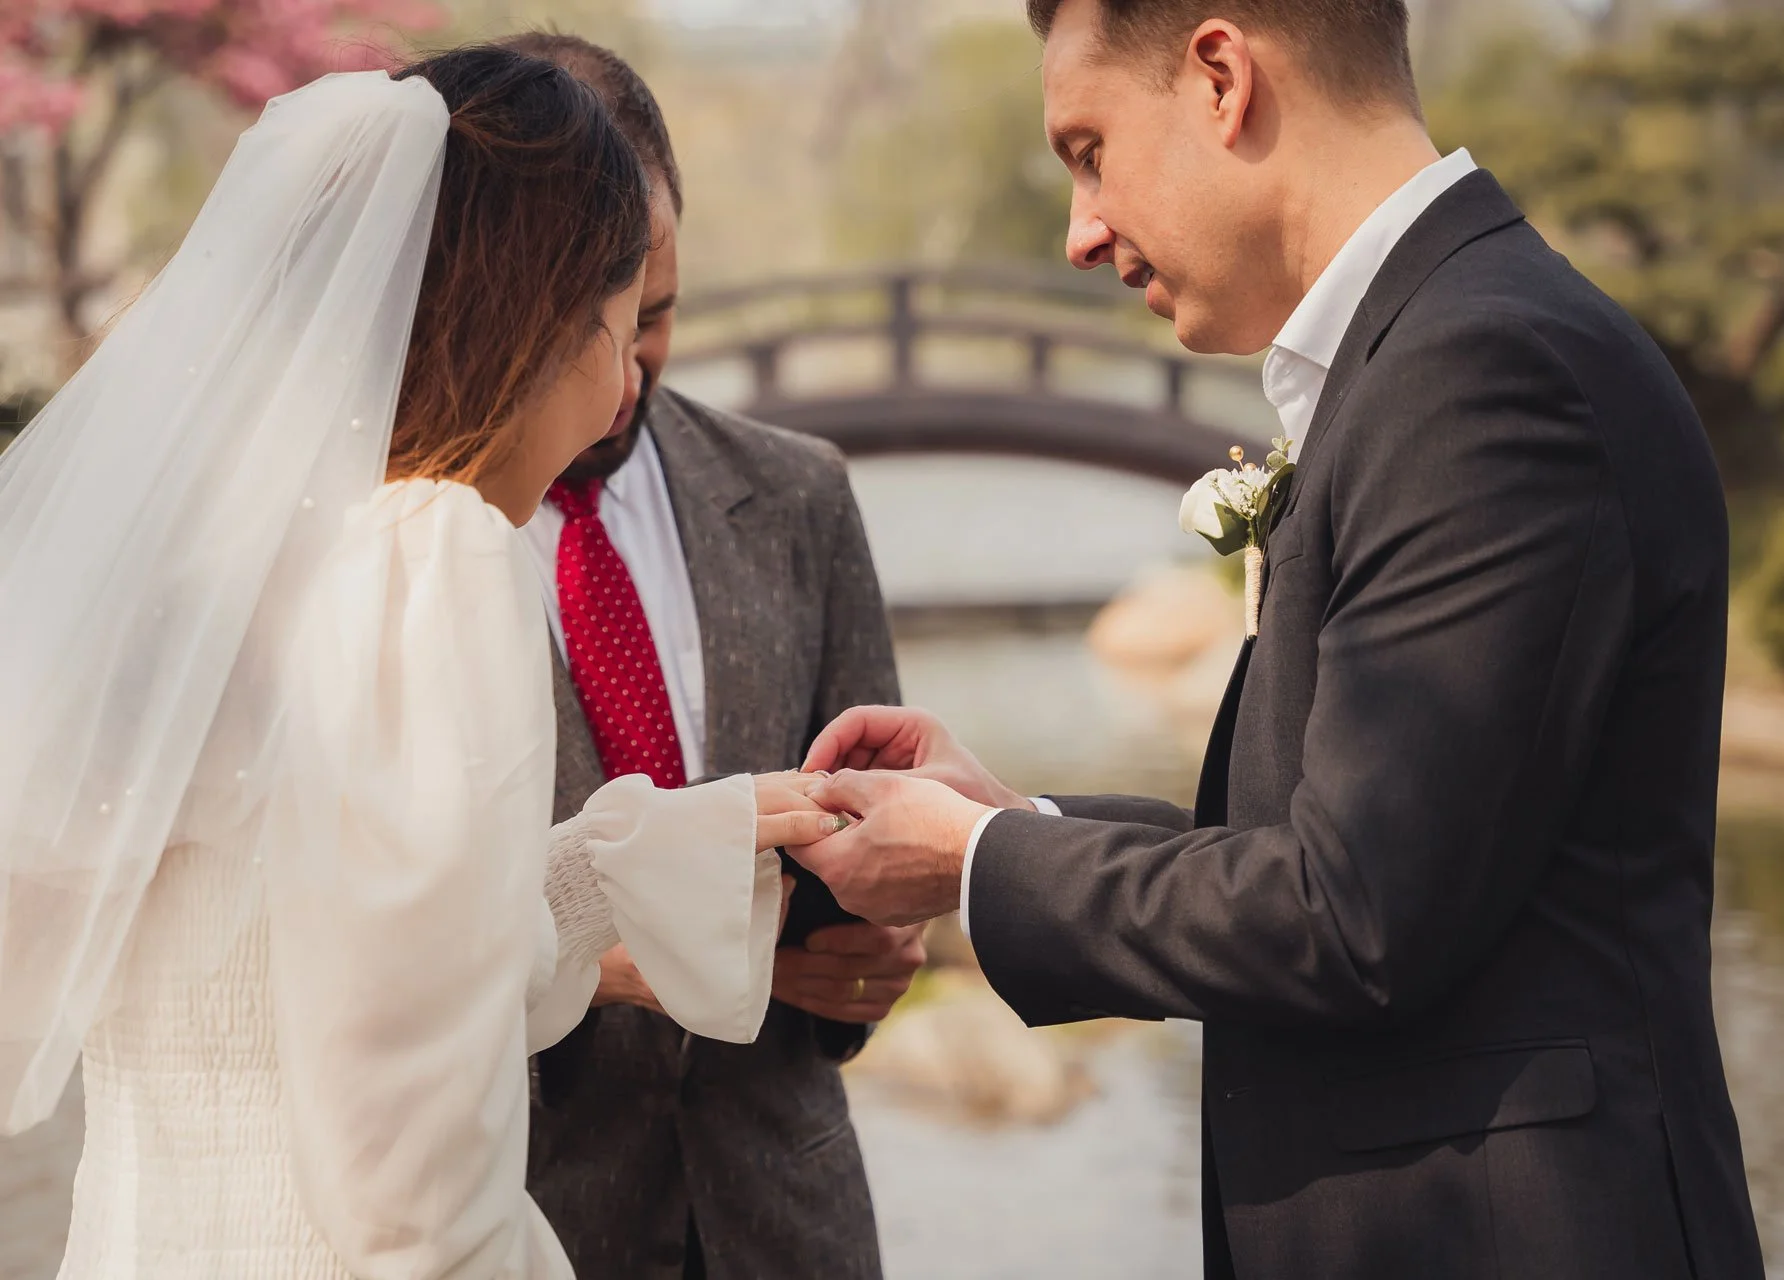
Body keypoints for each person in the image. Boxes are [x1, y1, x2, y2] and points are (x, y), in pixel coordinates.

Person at [790, 1, 1767, 1277]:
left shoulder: (1480, 367)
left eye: (1087, 150)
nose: (1079, 232)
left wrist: (976, 863)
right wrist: (1009, 814)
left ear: (1217, 76)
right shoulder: (1428, 349)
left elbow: (1348, 913)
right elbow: (1337, 844)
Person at [0, 48, 842, 1279]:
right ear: (539, 326)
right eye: (617, 327)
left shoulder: (188, 577)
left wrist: (650, 853)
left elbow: (319, 949)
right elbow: (412, 1183)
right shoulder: (422, 560)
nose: (622, 392)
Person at [498, 32, 916, 1280]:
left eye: (659, 316)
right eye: (591, 326)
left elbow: (875, 828)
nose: (625, 376)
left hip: (788, 1224)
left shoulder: (800, 495)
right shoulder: (387, 547)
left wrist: (880, 948)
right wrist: (596, 958)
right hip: (520, 1218)